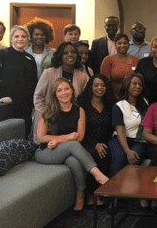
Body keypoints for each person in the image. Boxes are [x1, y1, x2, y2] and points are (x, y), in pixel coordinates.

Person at [35, 78, 109, 211]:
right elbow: (41, 137)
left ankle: (80, 197)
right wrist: (67, 137)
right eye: (60, 90)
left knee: (74, 161)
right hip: (46, 152)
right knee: (73, 145)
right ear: (55, 94)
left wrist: (58, 140)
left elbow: (79, 137)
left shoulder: (79, 110)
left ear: (72, 91)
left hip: (65, 150)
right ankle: (98, 175)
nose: (64, 93)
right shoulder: (47, 111)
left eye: (67, 89)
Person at [0, 25, 38, 138]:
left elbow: (33, 84)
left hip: (24, 107)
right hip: (3, 105)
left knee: (21, 136)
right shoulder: (1, 55)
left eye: (23, 36)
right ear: (11, 39)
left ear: (28, 39)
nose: (20, 39)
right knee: (2, 137)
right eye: (16, 36)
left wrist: (33, 105)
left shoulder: (30, 59)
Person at [34, 42, 90, 142]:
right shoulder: (49, 73)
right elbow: (38, 97)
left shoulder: (82, 77)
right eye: (65, 53)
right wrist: (47, 115)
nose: (70, 55)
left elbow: (84, 100)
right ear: (60, 55)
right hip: (51, 123)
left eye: (73, 52)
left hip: (70, 124)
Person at [77, 74, 115, 207]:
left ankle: (100, 193)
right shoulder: (82, 104)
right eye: (96, 85)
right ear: (90, 87)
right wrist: (95, 144)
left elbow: (111, 129)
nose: (100, 88)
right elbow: (81, 130)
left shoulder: (110, 105)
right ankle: (91, 194)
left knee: (106, 154)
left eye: (103, 85)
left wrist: (102, 144)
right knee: (92, 155)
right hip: (85, 141)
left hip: (104, 141)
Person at [109, 73, 149, 176]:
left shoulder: (145, 103)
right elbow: (120, 131)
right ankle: (110, 190)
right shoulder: (119, 106)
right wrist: (127, 150)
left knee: (134, 159)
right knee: (119, 157)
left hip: (139, 140)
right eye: (134, 83)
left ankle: (129, 190)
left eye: (140, 84)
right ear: (127, 86)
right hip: (120, 139)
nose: (137, 87)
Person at [100, 34, 139, 99]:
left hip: (133, 98)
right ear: (115, 45)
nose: (122, 45)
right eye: (119, 43)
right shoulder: (108, 60)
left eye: (125, 43)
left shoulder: (136, 60)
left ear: (129, 45)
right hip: (113, 98)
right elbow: (105, 83)